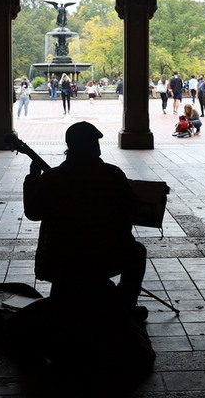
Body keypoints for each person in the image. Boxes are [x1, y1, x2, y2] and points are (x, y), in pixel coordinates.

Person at [23, 121, 147, 318]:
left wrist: (32, 179)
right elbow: (131, 209)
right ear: (90, 147)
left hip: (59, 261)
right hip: (104, 258)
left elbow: (33, 213)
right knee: (137, 251)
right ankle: (126, 309)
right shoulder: (112, 174)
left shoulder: (52, 178)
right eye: (95, 143)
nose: (98, 148)